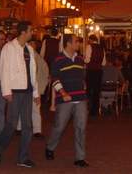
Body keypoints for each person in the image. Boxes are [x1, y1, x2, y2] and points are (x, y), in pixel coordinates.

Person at [0, 21, 40, 168]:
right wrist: (6, 91)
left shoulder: (29, 50)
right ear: (23, 32)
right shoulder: (9, 48)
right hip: (14, 92)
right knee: (11, 124)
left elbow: (33, 73)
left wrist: (36, 92)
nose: (32, 33)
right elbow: (3, 70)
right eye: (30, 30)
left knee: (28, 126)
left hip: (27, 92)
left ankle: (23, 157)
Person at [46, 34, 89, 168]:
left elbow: (83, 78)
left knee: (81, 128)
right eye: (76, 42)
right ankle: (50, 147)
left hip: (80, 98)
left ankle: (80, 157)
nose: (79, 44)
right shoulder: (58, 59)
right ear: (68, 44)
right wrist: (63, 93)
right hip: (65, 99)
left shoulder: (80, 59)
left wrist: (84, 88)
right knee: (59, 126)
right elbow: (55, 79)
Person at [17, 39, 49, 138]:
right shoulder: (22, 55)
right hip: (23, 86)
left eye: (33, 44)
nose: (31, 45)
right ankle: (19, 127)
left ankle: (37, 130)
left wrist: (41, 87)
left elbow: (45, 72)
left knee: (35, 109)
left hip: (35, 87)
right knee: (21, 107)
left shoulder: (38, 58)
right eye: (30, 43)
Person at [85, 34, 106, 116]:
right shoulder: (102, 48)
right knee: (97, 91)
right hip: (99, 72)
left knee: (89, 90)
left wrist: (84, 60)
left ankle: (89, 109)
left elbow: (87, 60)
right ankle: (95, 110)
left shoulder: (89, 47)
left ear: (90, 40)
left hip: (91, 71)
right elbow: (104, 63)